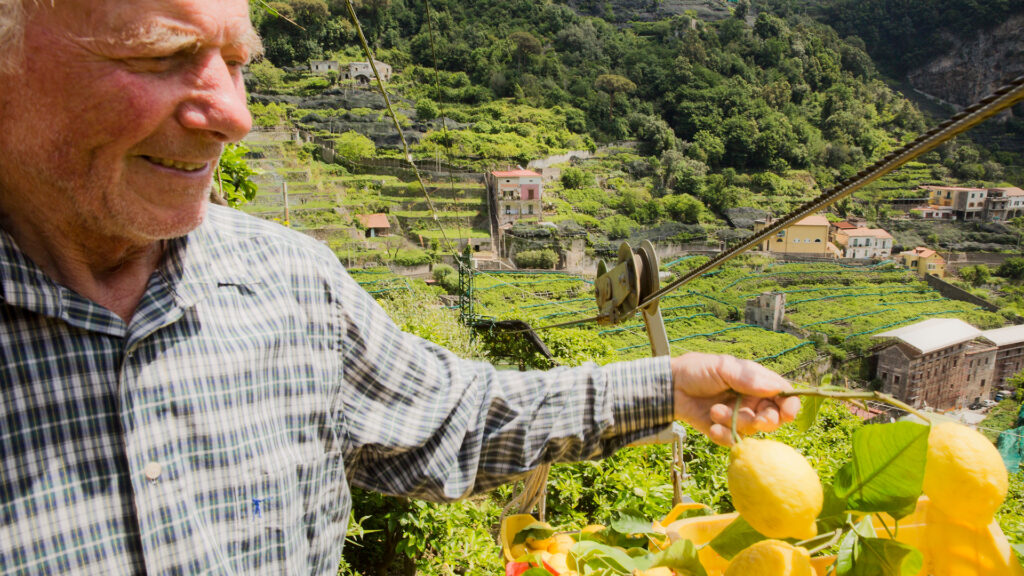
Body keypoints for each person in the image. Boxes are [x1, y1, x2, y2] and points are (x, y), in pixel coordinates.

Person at [0, 0, 801, 573]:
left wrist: (666, 388)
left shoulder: (288, 282)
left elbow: (452, 419)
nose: (236, 115)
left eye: (237, 63)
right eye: (159, 55)